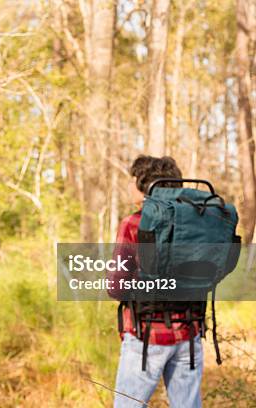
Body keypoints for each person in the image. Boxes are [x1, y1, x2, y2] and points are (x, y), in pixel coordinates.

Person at [107, 155, 203, 408]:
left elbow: (116, 287)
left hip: (145, 335)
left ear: (144, 185)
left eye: (133, 182)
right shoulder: (197, 224)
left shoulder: (133, 224)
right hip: (190, 333)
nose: (130, 187)